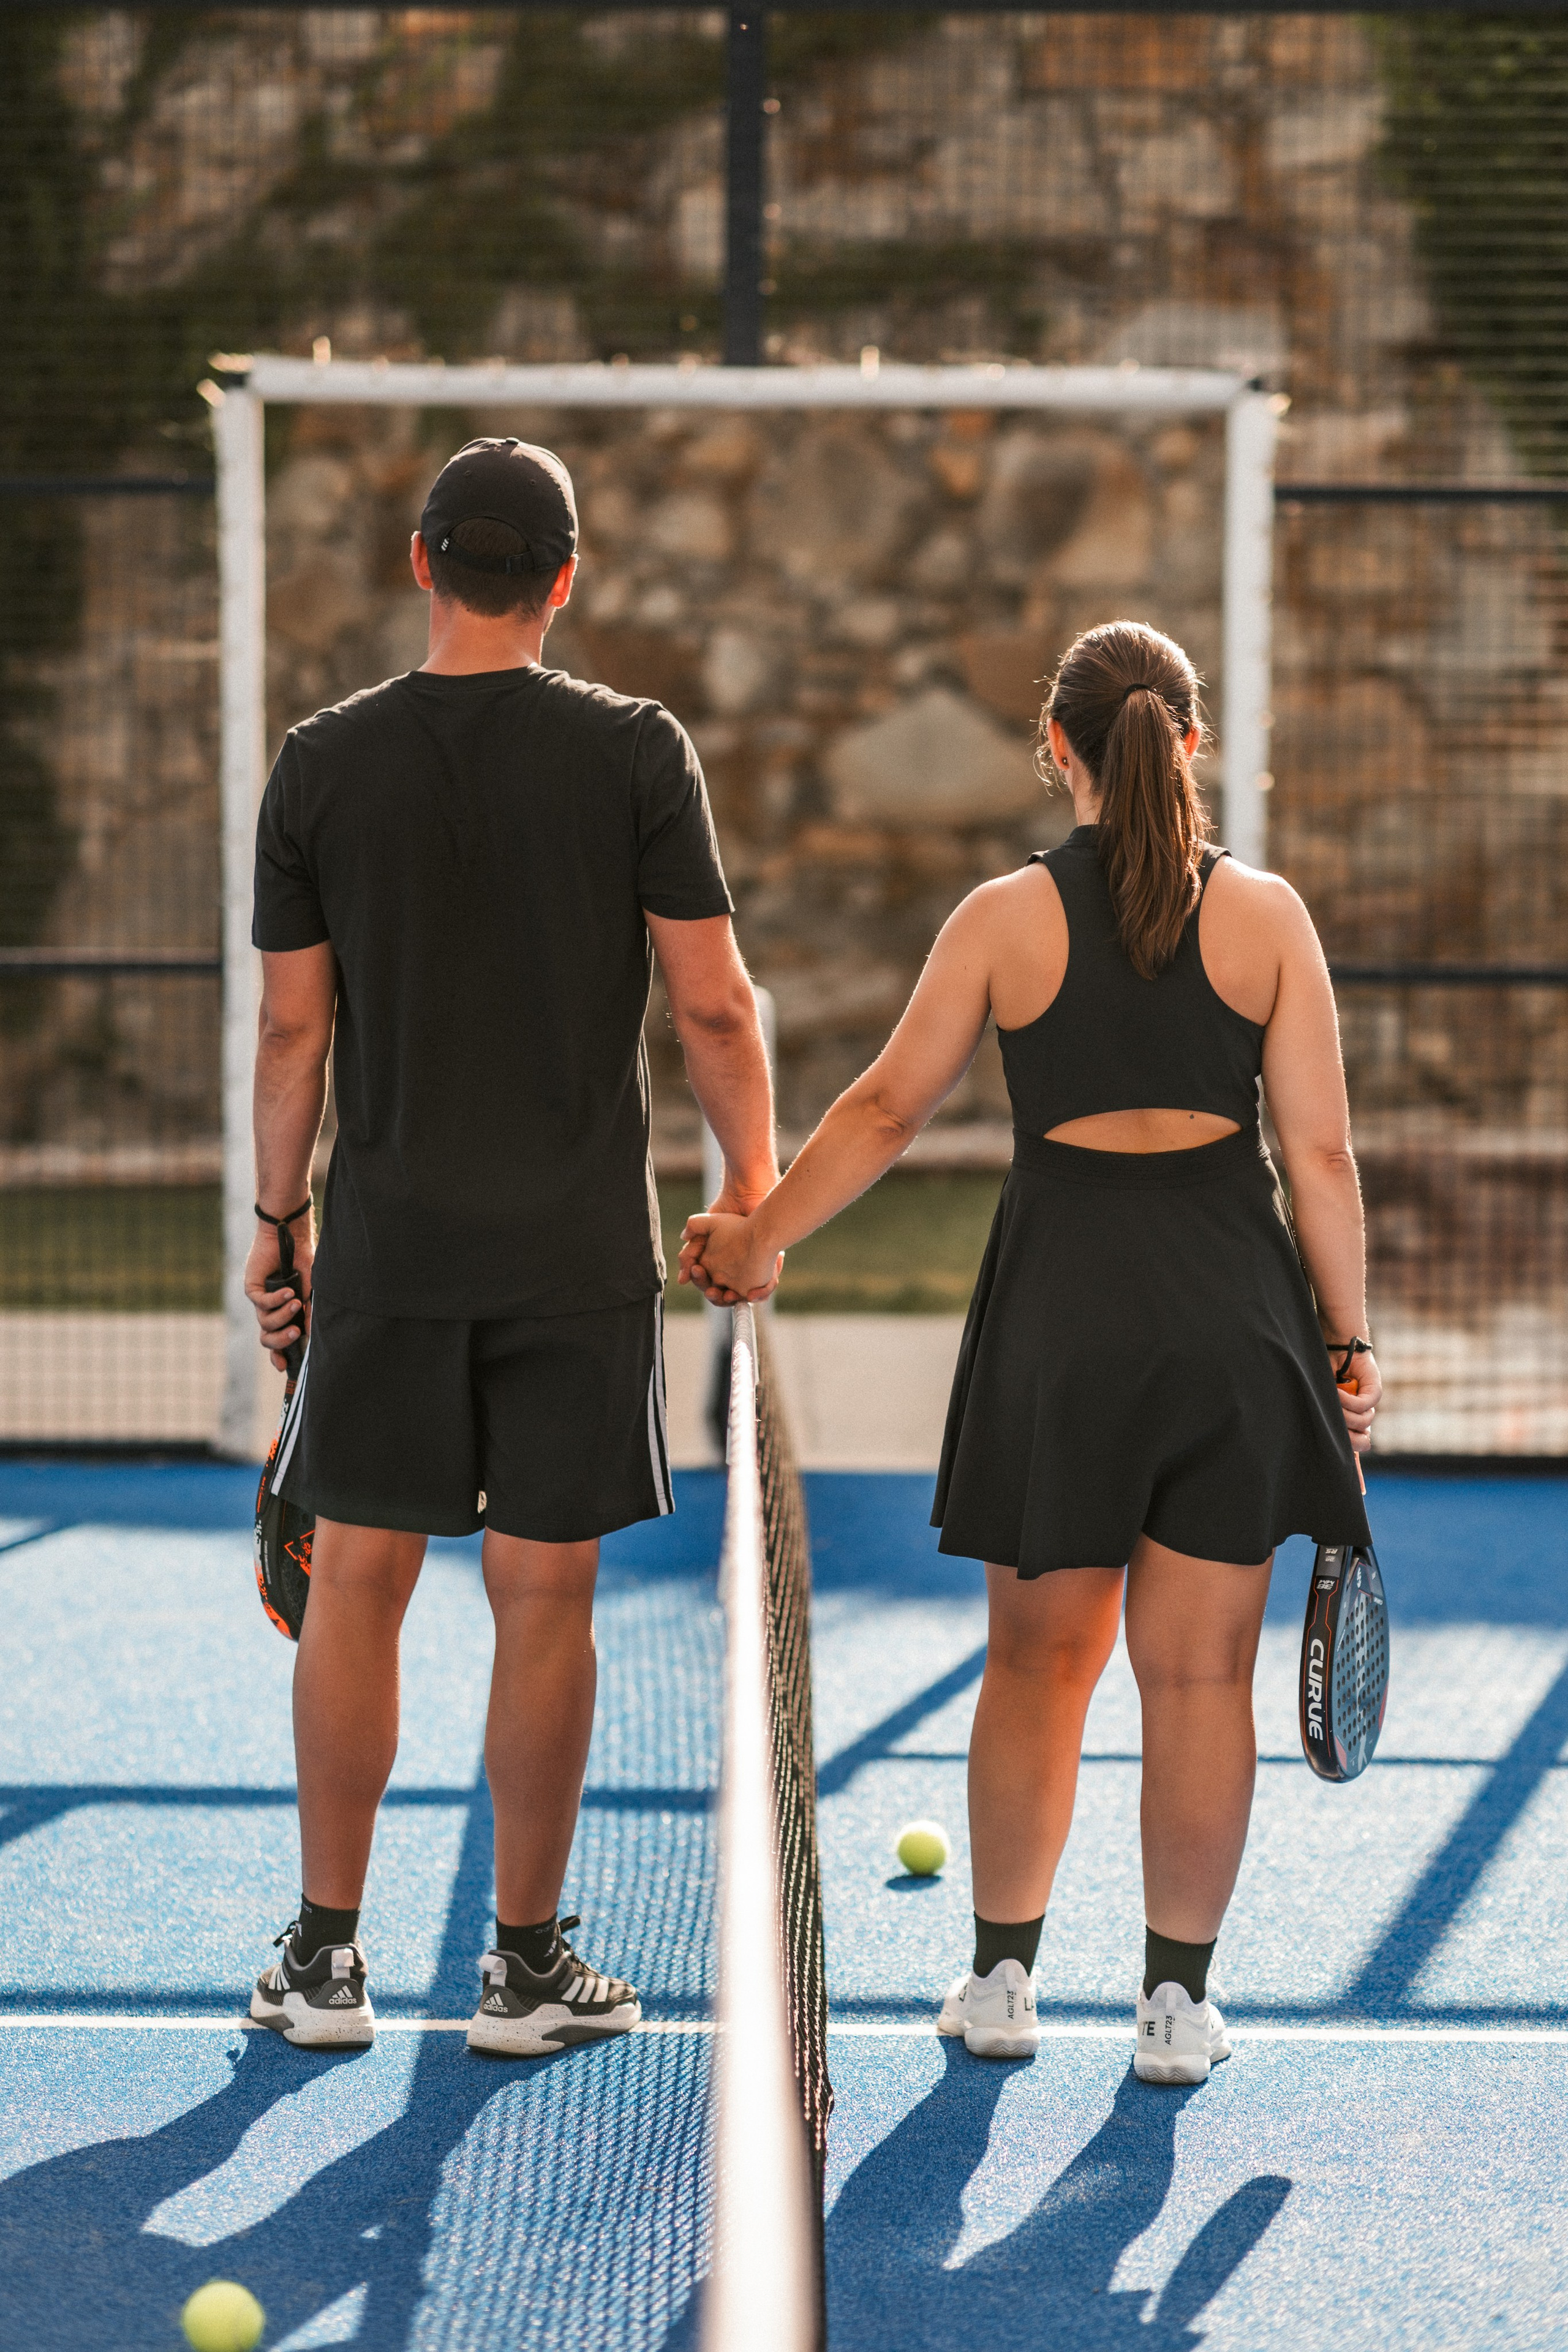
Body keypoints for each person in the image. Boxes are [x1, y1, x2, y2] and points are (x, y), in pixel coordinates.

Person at [681, 619, 1378, 2085]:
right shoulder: (1266, 919)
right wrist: (1345, 1338)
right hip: (1229, 1323)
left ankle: (1001, 1983)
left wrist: (758, 1235)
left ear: (1053, 749)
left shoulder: (1000, 920)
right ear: (1186, 743)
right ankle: (1174, 2007)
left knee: (1034, 1663)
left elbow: (882, 1112)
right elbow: (1315, 1152)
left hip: (1061, 1320)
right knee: (1196, 1684)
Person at [244, 437, 777, 2054]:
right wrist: (751, 1196)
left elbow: (291, 1034)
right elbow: (714, 1003)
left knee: (358, 1594)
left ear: (420, 564)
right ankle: (526, 1969)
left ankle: (328, 1962)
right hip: (571, 1258)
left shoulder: (321, 762)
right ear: (561, 581)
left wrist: (280, 1227)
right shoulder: (636, 752)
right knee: (546, 1607)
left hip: (394, 1251)